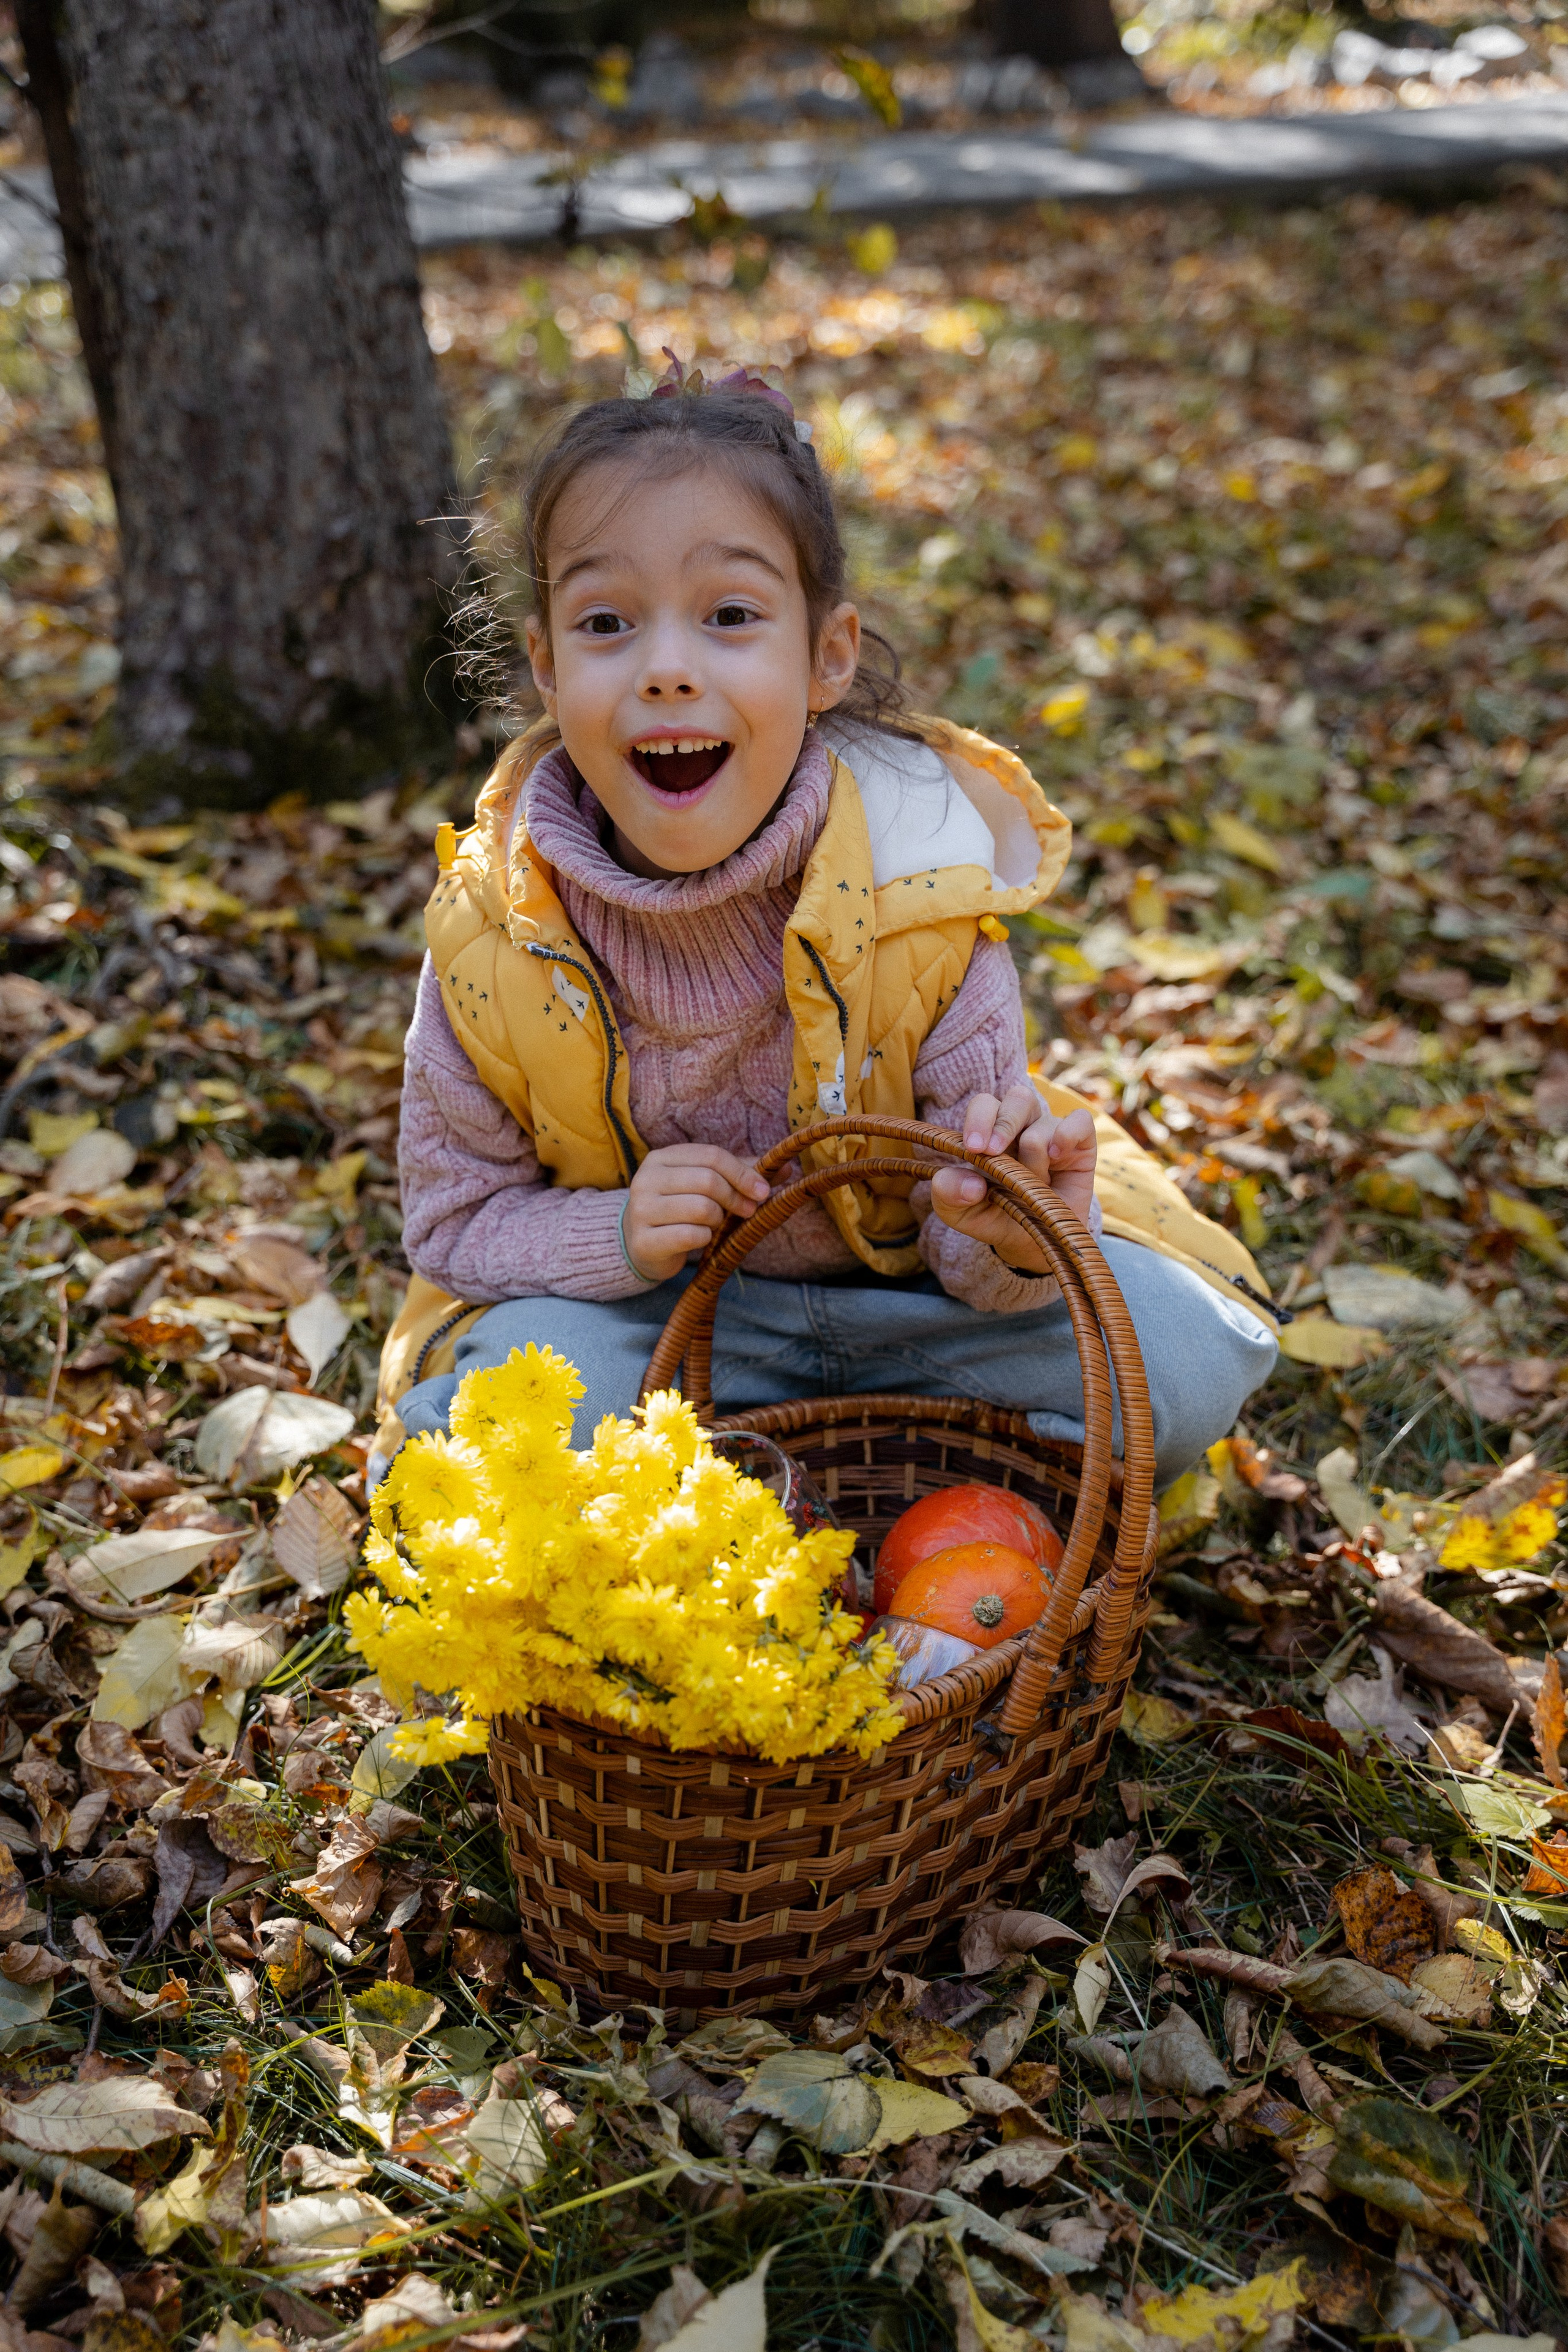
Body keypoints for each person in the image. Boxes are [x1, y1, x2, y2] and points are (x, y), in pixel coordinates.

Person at [374, 360, 1278, 1490]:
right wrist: (609, 1234)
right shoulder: (493, 938)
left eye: (731, 617)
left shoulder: (927, 890)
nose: (665, 670)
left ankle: (844, 1473)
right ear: (549, 669)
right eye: (607, 622)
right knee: (475, 1440)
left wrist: (1001, 1231)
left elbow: (977, 1246)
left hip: (918, 1315)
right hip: (665, 1331)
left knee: (1182, 1369)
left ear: (828, 657)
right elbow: (456, 1225)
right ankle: (849, 1480)